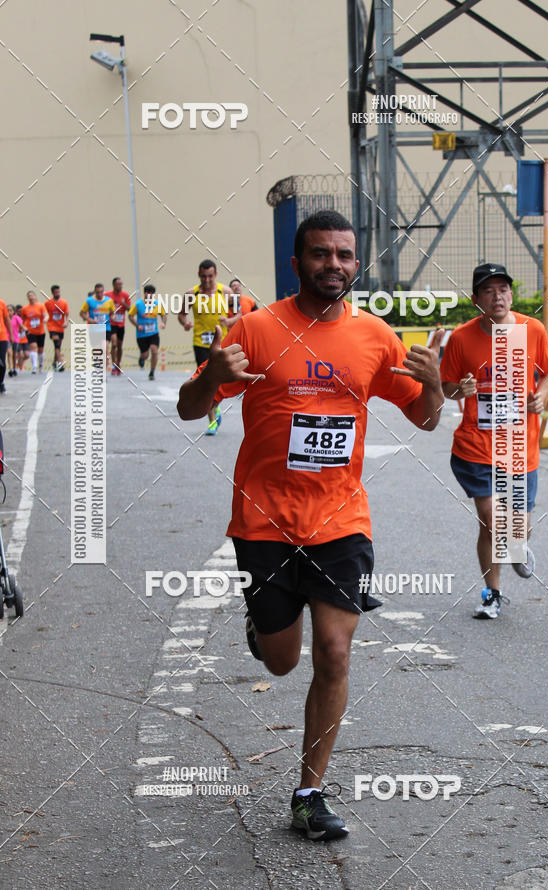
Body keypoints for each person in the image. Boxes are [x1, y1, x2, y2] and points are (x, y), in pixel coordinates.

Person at [177, 210, 444, 840]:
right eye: (321, 254)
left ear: (357, 263)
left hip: (341, 518)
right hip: (265, 521)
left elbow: (427, 420)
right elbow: (193, 410)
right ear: (296, 263)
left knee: (334, 651)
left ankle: (309, 792)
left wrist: (433, 389)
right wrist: (212, 379)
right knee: (279, 662)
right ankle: (263, 624)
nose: (335, 265)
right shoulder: (258, 329)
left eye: (345, 255)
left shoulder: (377, 338)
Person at [440, 262, 548, 619]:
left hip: (520, 447)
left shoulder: (531, 329)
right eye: (488, 291)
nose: (497, 296)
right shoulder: (461, 338)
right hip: (476, 446)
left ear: (511, 294)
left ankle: (517, 545)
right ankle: (492, 593)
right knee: (490, 518)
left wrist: (542, 397)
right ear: (476, 299)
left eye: (503, 289)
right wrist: (461, 387)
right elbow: (446, 388)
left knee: (514, 527)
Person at [178, 260, 233, 435]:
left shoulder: (226, 292)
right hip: (201, 343)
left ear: (215, 275)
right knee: (206, 380)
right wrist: (185, 323)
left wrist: (229, 321)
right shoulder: (191, 294)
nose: (207, 280)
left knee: (221, 381)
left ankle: (215, 406)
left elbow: (239, 314)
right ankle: (212, 421)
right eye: (203, 276)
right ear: (198, 275)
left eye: (210, 276)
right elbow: (181, 315)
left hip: (222, 342)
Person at [128, 283, 166, 380]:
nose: (150, 295)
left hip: (153, 333)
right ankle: (142, 358)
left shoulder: (157, 304)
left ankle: (152, 372)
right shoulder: (138, 304)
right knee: (145, 355)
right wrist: (137, 325)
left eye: (152, 293)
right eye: (148, 293)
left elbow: (163, 315)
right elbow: (130, 316)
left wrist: (163, 323)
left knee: (154, 350)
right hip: (141, 334)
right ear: (145, 293)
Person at [80, 284, 115, 370]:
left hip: (106, 328)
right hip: (94, 328)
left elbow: (113, 312)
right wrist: (89, 319)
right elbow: (82, 313)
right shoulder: (89, 301)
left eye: (101, 292)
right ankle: (98, 366)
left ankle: (105, 367)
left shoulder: (109, 301)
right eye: (97, 292)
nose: (99, 294)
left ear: (103, 292)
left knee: (104, 347)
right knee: (96, 350)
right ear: (95, 292)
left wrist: (113, 317)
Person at [106, 276, 131, 375]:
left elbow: (130, 309)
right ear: (113, 285)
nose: (120, 286)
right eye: (118, 284)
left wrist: (124, 304)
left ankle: (118, 363)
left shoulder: (125, 295)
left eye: (121, 284)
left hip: (121, 324)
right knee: (114, 343)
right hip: (111, 323)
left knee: (120, 346)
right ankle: (113, 365)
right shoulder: (107, 295)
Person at [21, 291, 48, 374]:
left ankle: (41, 364)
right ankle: (34, 367)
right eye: (29, 295)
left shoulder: (40, 306)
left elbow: (46, 315)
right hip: (30, 331)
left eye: (32, 295)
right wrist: (25, 328)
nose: (31, 297)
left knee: (40, 350)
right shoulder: (25, 308)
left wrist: (45, 319)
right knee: (33, 347)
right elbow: (22, 321)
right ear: (27, 298)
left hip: (40, 331)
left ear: (35, 296)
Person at [45, 285, 69, 371]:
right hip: (52, 326)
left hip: (60, 327)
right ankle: (60, 363)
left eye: (58, 292)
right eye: (56, 292)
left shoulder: (64, 302)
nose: (57, 293)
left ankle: (54, 361)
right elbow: (45, 313)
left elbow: (66, 314)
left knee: (58, 346)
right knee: (56, 344)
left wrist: (66, 322)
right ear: (52, 293)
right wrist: (45, 319)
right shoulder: (48, 303)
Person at [0, 298, 13, 392]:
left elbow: (7, 319)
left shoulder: (2, 303)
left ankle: (1, 382)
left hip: (2, 336)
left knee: (2, 363)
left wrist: (11, 335)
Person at [13, 305, 28, 372]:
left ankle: (19, 363)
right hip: (17, 339)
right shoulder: (15, 318)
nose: (20, 313)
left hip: (24, 339)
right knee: (21, 355)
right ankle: (20, 367)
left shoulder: (25, 318)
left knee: (27, 355)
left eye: (21, 311)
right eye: (19, 311)